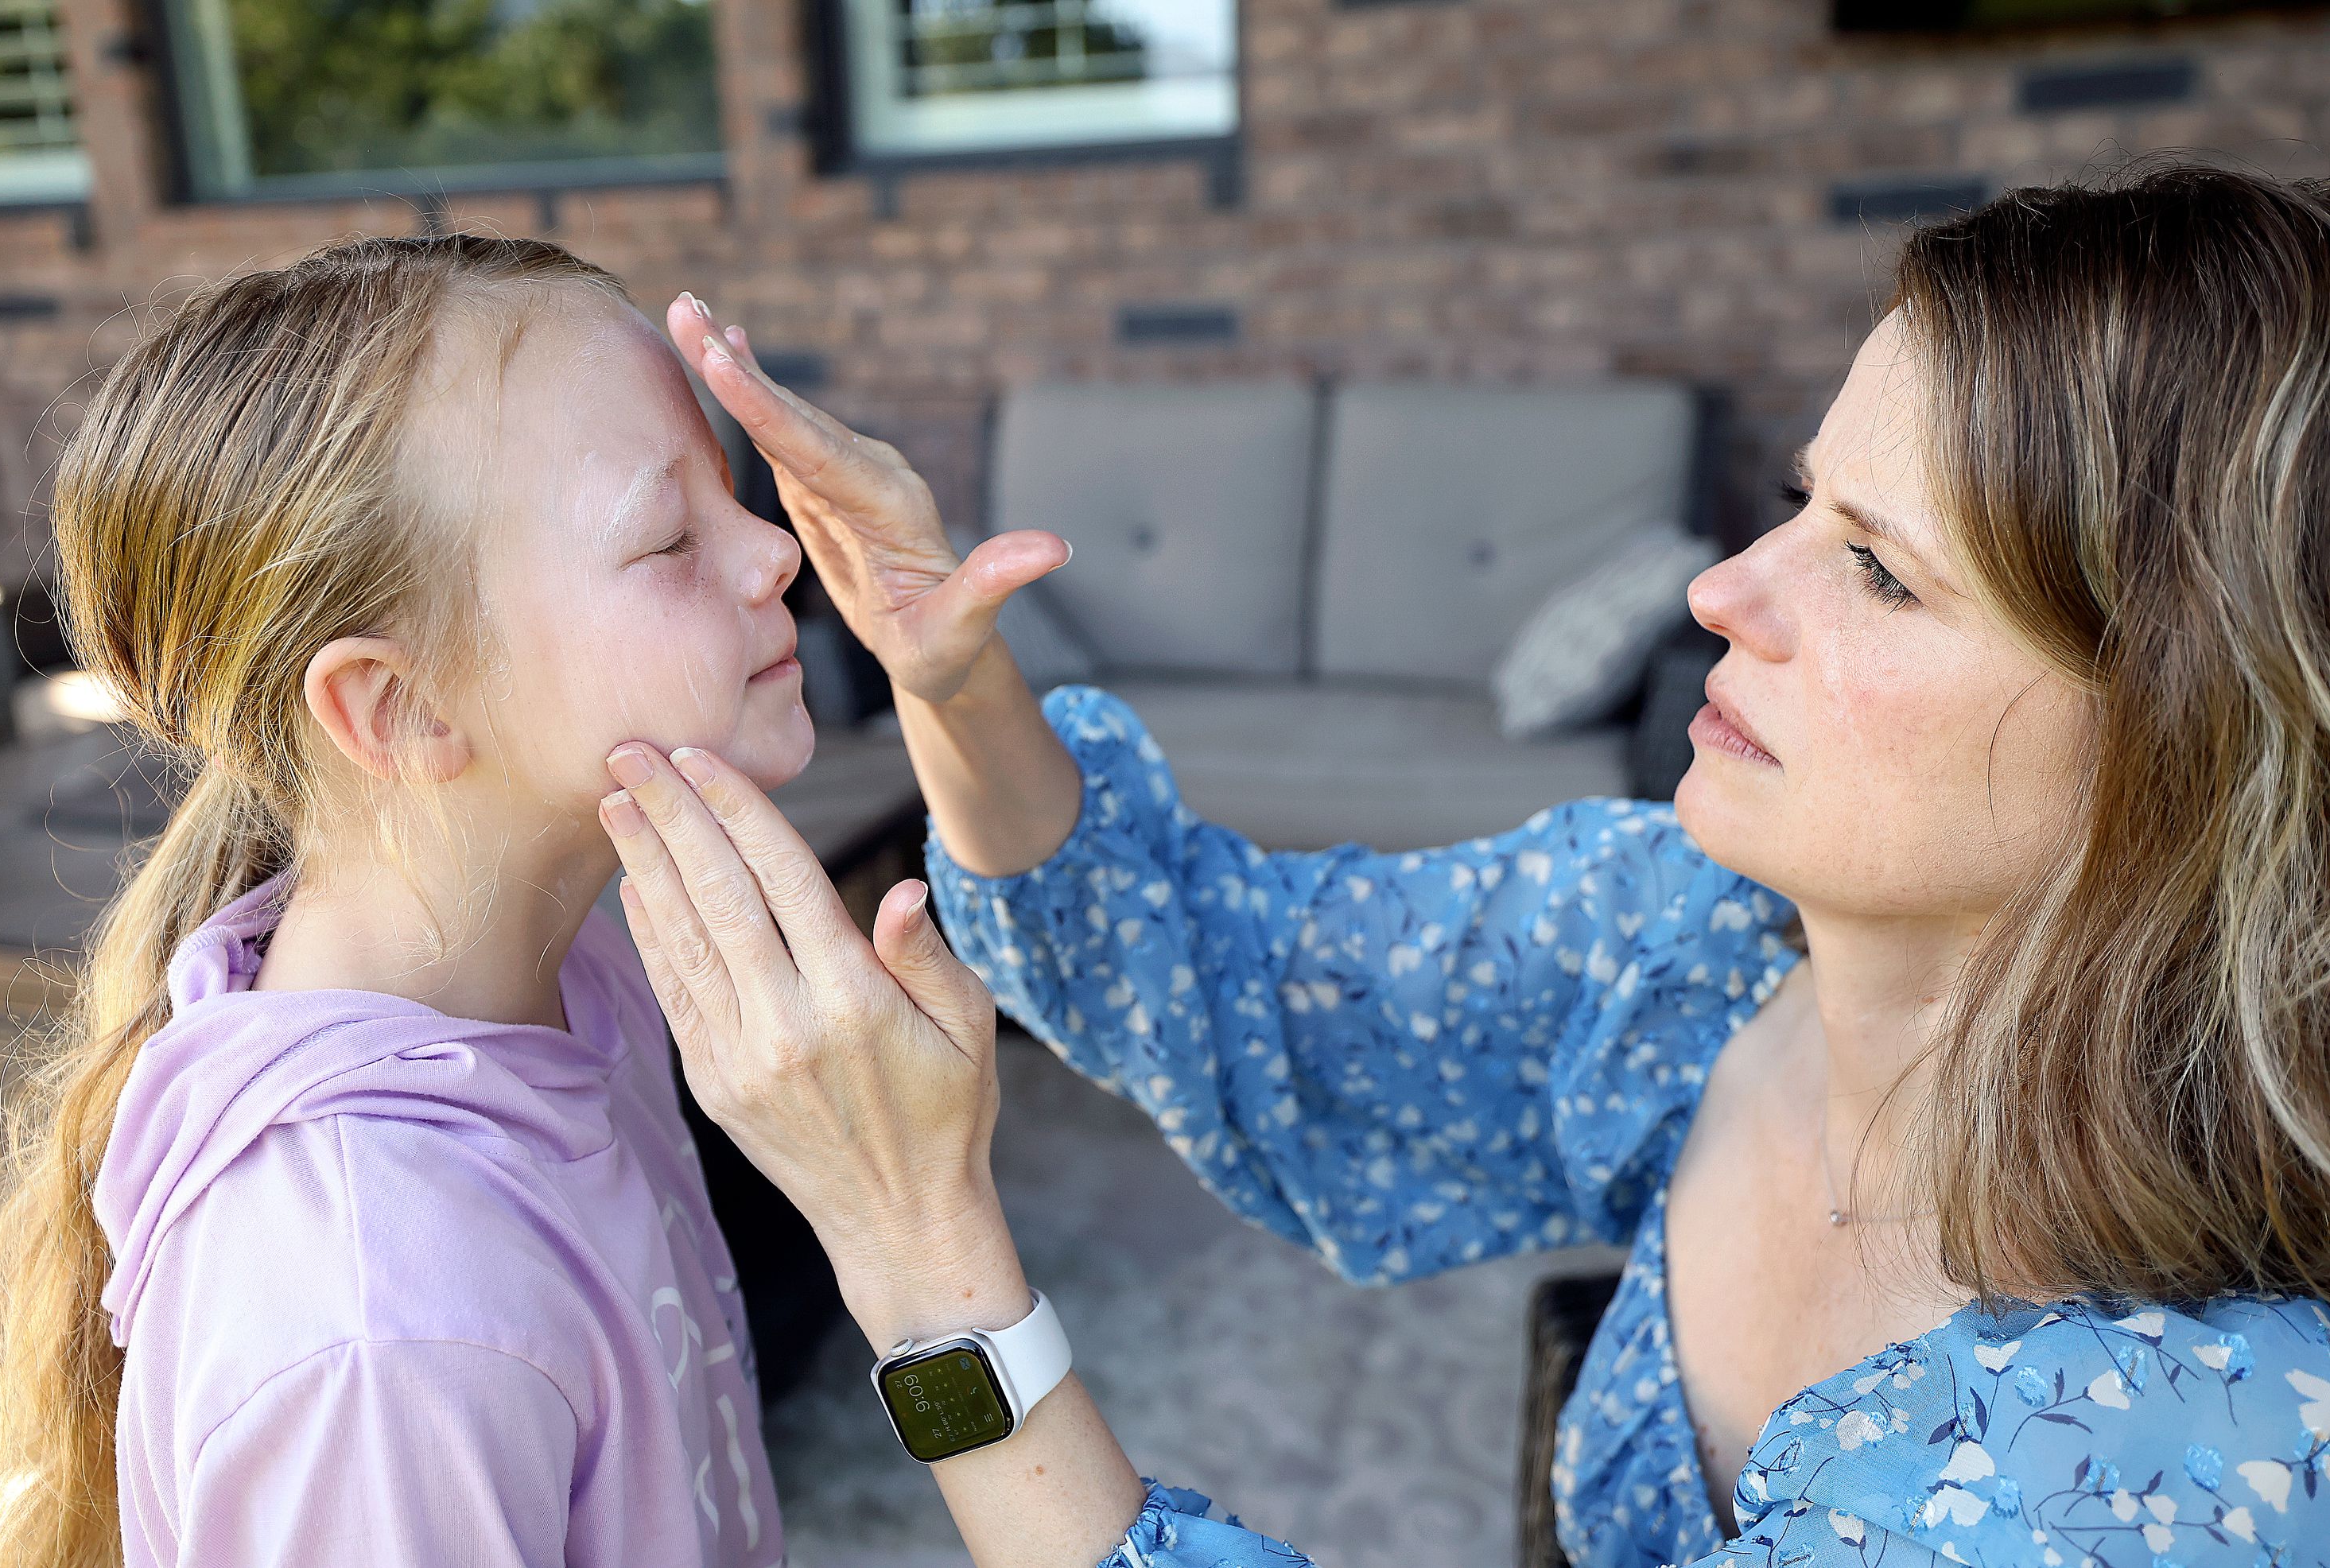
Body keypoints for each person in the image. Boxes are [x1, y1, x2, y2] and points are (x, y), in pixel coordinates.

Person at [607, 165, 2330, 1568]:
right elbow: (1222, 963)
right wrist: (950, 671)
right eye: (1806, 503)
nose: (1725, 587)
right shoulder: (1696, 939)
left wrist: (920, 1255)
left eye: (1880, 573)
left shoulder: (2132, 1468)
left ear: (2187, 737)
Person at [0, 235, 810, 1568]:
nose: (775, 554)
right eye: (671, 534)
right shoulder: (382, 1329)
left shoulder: (582, 977)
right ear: (396, 707)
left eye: (734, 493)